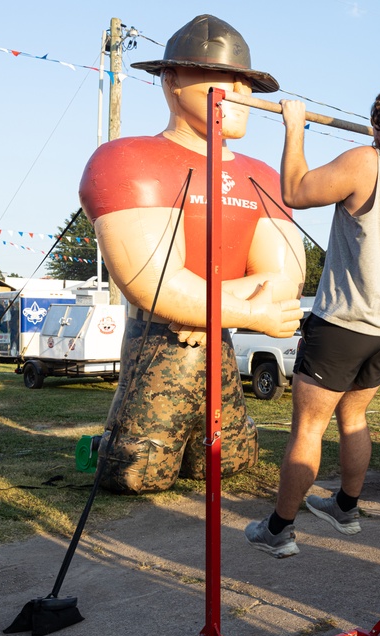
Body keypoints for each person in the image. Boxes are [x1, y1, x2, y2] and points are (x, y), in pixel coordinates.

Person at [78, 15, 306, 493]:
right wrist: (247, 314)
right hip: (158, 347)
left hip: (213, 346)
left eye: (248, 81)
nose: (242, 92)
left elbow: (284, 281)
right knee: (136, 471)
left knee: (231, 460)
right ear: (173, 79)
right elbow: (153, 281)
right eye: (227, 77)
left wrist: (203, 311)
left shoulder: (262, 175)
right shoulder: (128, 161)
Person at [244, 87, 380, 557]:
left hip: (343, 321)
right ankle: (346, 506)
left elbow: (295, 192)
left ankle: (279, 529)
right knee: (354, 416)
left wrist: (294, 126)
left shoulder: (368, 161)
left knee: (308, 429)